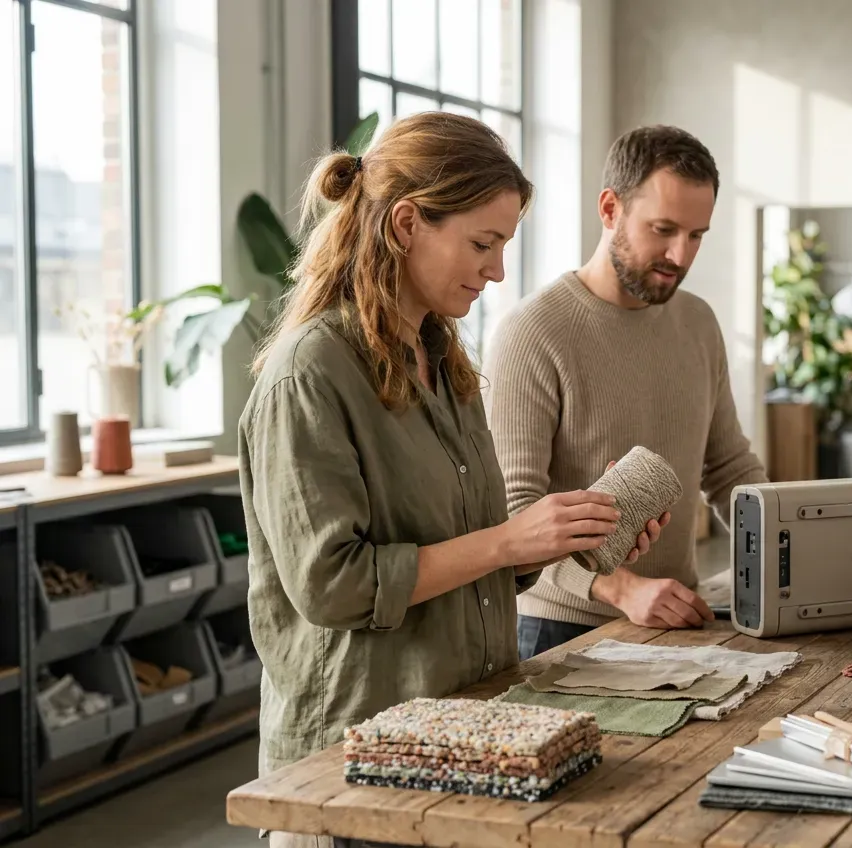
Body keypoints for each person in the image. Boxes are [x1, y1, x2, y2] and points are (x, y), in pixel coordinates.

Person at [238, 113, 662, 846]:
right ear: (406, 223)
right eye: (482, 243)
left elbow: (467, 555)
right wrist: (505, 544)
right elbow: (332, 586)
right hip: (354, 772)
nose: (496, 270)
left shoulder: (446, 365)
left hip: (463, 744)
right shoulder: (310, 374)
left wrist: (560, 537)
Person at [484, 124, 769, 659]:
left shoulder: (698, 323)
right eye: (663, 229)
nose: (680, 255)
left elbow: (729, 468)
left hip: (676, 615)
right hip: (560, 628)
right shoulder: (534, 332)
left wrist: (789, 549)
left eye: (697, 235)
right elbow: (512, 513)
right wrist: (622, 588)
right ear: (610, 209)